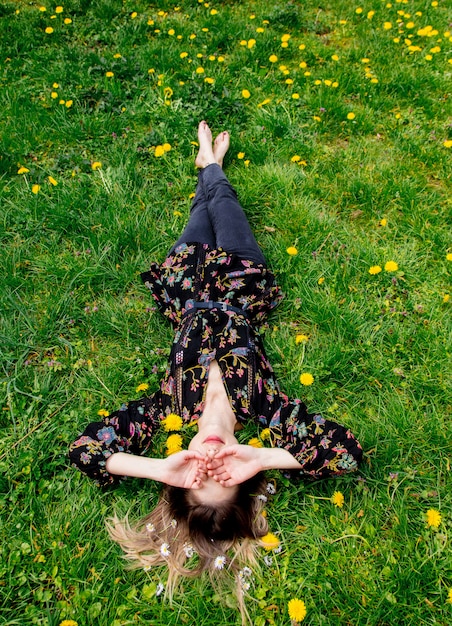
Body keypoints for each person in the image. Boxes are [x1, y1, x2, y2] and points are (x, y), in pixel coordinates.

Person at [69, 121, 362, 613]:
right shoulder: (268, 409)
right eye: (222, 475)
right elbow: (347, 453)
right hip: (241, 281)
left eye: (195, 474)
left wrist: (161, 468)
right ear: (242, 472)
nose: (209, 461)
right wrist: (263, 458)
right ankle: (211, 164)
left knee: (198, 217)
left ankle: (207, 165)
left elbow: (84, 451)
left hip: (186, 282)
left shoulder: (166, 408)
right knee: (224, 207)